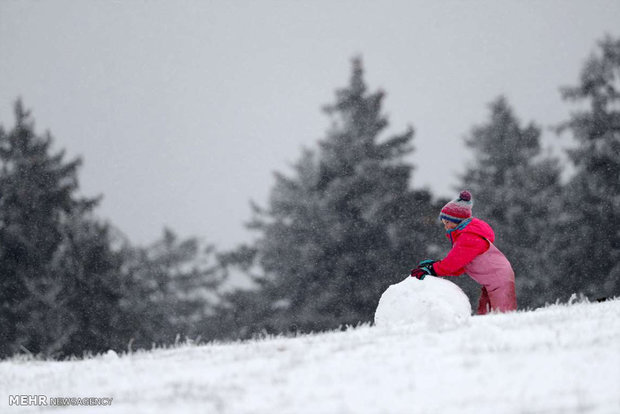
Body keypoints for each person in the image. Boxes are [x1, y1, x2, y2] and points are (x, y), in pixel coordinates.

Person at [410, 190, 517, 315]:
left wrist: (433, 269)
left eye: (447, 222)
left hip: (499, 280)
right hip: (495, 279)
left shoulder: (469, 237)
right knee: (486, 314)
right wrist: (435, 266)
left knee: (502, 315)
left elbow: (453, 263)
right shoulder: (466, 236)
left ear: (457, 220)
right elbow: (461, 266)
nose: (445, 227)